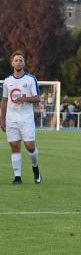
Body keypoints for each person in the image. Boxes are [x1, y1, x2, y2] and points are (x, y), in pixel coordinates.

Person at [0, 51, 42, 184]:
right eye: (16, 60)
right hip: (11, 119)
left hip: (26, 118)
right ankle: (17, 177)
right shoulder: (7, 81)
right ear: (12, 63)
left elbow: (37, 98)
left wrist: (26, 98)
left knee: (30, 146)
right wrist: (2, 119)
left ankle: (35, 167)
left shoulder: (30, 79)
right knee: (14, 147)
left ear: (24, 63)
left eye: (21, 60)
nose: (18, 62)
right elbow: (5, 101)